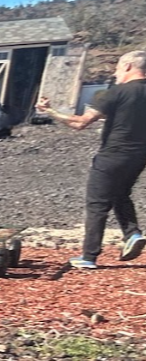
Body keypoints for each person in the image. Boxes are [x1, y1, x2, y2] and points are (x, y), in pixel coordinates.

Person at [37, 50, 146, 269]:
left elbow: (80, 123)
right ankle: (133, 234)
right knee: (120, 194)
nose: (115, 73)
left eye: (117, 68)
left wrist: (50, 112)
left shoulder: (116, 92)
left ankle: (89, 256)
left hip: (113, 154)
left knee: (97, 203)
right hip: (140, 156)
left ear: (127, 67)